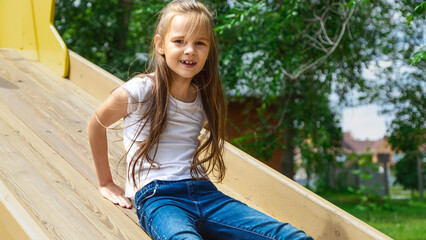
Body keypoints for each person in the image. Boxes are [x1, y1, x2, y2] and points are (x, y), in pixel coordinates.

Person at [88, 0, 313, 239]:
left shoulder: (202, 100)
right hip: (159, 198)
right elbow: (96, 124)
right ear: (160, 44)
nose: (190, 50)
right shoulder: (141, 90)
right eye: (179, 41)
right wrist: (106, 182)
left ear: (208, 51)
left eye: (200, 43)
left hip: (205, 193)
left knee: (293, 237)